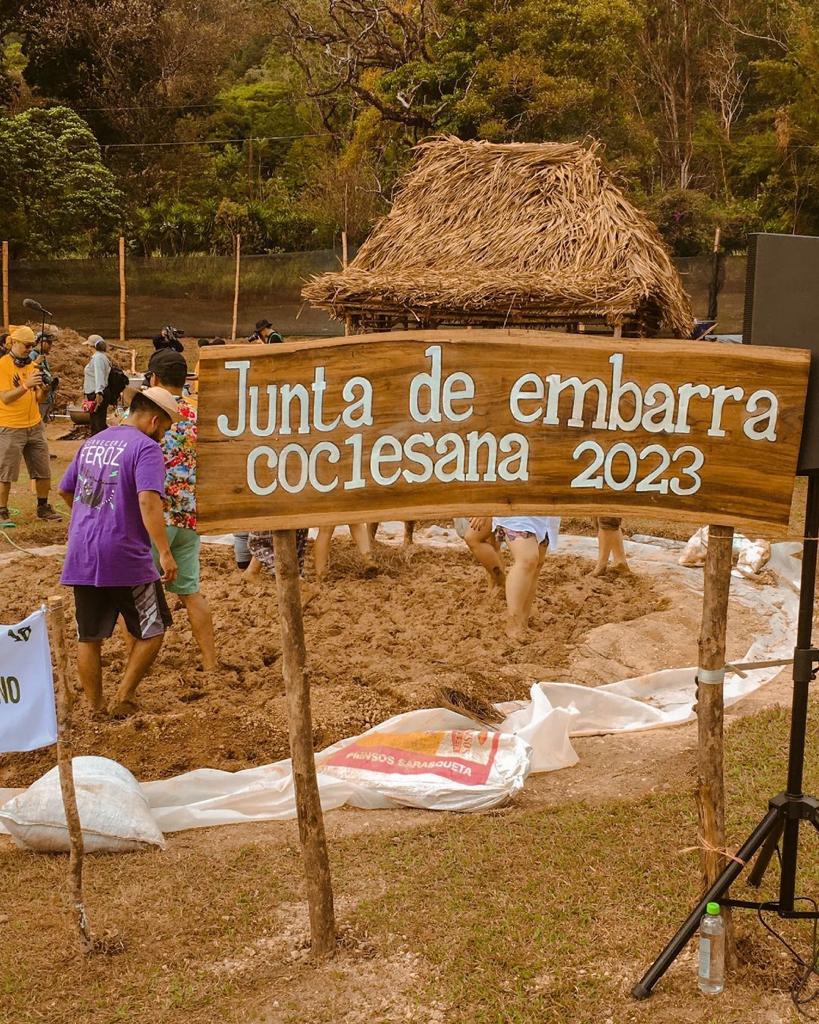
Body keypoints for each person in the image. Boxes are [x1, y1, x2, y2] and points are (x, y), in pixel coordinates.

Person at [58, 387, 180, 719]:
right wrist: (165, 552)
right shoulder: (147, 449)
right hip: (125, 554)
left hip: (82, 552)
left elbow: (66, 489)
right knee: (153, 629)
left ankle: (96, 708)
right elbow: (147, 501)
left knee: (90, 636)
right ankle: (123, 695)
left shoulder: (94, 441)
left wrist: (91, 517)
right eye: (166, 429)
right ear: (155, 421)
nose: (164, 436)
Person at [145, 348, 218, 673]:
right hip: (188, 516)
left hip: (152, 517)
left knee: (139, 595)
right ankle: (210, 663)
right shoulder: (197, 415)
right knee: (191, 593)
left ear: (154, 378)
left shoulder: (145, 414)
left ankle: (140, 665)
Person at [0, 324, 61, 528]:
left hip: (34, 425)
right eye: (26, 345)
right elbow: (6, 398)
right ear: (14, 343)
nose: (29, 349)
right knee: (6, 471)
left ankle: (43, 507)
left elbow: (37, 397)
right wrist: (25, 385)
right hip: (10, 425)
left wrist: (44, 389)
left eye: (31, 345)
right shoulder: (3, 366)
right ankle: (2, 511)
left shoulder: (32, 367)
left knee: (42, 469)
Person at [465, 515, 560, 640]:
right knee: (527, 559)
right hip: (514, 506)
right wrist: (486, 508)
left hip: (544, 508)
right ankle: (514, 623)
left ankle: (523, 623)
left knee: (536, 565)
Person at [83, 335, 112, 435]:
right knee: (97, 421)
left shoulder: (98, 358)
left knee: (97, 423)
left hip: (97, 393)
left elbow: (99, 375)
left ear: (92, 346)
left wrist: (99, 393)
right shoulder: (102, 357)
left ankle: (100, 442)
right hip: (98, 391)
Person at [33, 331, 59, 423]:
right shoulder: (33, 355)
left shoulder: (42, 356)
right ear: (42, 343)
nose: (51, 346)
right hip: (39, 396)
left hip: (46, 396)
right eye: (49, 343)